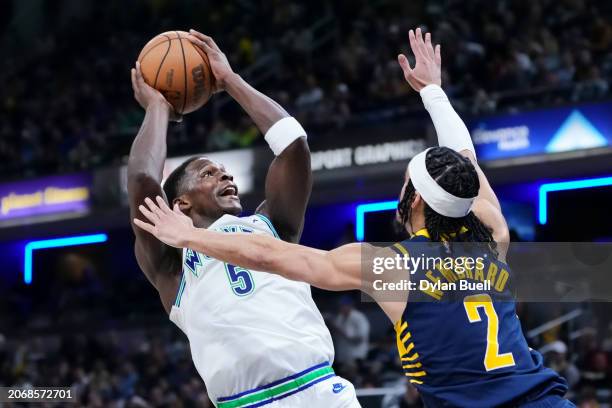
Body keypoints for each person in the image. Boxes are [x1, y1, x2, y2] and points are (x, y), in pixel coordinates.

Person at [134, 28, 574, 407]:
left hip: (325, 390)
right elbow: (464, 161)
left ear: (416, 200)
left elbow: (272, 254)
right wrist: (433, 92)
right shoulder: (490, 231)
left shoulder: (391, 265)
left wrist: (189, 237)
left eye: (405, 182)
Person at [128, 29, 360, 407]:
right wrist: (158, 107)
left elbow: (293, 145)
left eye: (225, 171)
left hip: (320, 390)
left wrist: (230, 81)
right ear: (181, 204)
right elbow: (142, 179)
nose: (226, 176)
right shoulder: (172, 259)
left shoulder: (271, 225)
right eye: (208, 173)